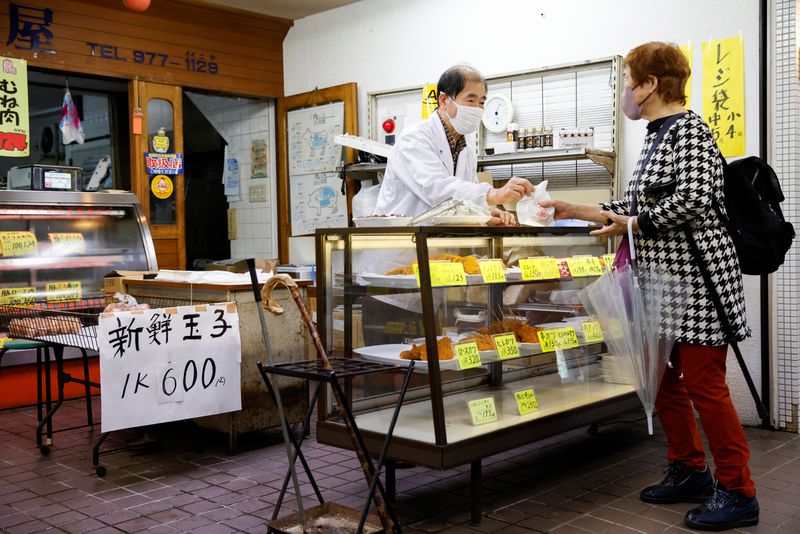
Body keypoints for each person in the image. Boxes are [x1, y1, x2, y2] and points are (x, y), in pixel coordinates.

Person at [541, 42, 758, 531]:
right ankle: (688, 469)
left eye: (627, 82)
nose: (624, 92)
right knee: (661, 380)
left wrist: (630, 224)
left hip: (699, 285)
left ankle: (739, 491)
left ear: (650, 85)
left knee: (706, 388)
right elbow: (633, 203)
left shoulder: (691, 131)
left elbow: (694, 201)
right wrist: (575, 210)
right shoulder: (657, 136)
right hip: (665, 286)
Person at [374, 63, 533, 225]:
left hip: (436, 243)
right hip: (402, 243)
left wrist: (486, 215)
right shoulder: (414, 138)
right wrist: (494, 194)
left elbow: (462, 202)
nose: (477, 109)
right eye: (470, 100)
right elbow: (436, 189)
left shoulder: (467, 150)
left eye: (481, 103)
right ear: (443, 100)